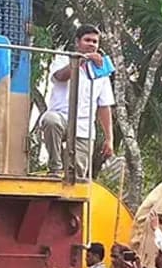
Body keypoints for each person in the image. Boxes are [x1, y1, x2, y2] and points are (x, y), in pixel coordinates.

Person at [38, 25, 114, 178]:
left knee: (76, 176)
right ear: (78, 42)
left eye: (95, 42)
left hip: (84, 128)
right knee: (49, 120)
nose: (91, 44)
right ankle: (55, 168)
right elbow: (60, 76)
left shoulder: (101, 72)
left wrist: (109, 139)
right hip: (61, 118)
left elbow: (104, 107)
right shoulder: (62, 59)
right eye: (87, 40)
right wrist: (79, 61)